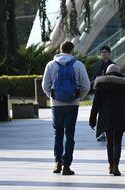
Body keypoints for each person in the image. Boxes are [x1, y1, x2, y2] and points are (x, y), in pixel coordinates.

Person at [42, 41, 90, 176]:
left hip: (56, 105)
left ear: (60, 49)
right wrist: (78, 97)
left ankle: (57, 163)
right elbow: (86, 86)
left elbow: (45, 85)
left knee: (58, 133)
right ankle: (66, 166)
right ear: (72, 50)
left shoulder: (51, 64)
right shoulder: (78, 64)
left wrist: (52, 97)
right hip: (72, 104)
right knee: (69, 135)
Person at [89, 64, 125, 176]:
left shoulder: (101, 86)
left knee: (109, 142)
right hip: (120, 117)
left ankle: (110, 165)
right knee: (117, 142)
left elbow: (95, 104)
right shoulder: (124, 86)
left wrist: (92, 119)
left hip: (106, 118)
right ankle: (116, 166)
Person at [90, 45, 115, 141]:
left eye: (105, 52)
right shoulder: (97, 65)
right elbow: (94, 77)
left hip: (110, 93)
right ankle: (102, 132)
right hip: (100, 92)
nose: (104, 54)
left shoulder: (113, 65)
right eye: (102, 52)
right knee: (100, 112)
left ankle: (109, 131)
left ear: (109, 53)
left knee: (109, 112)